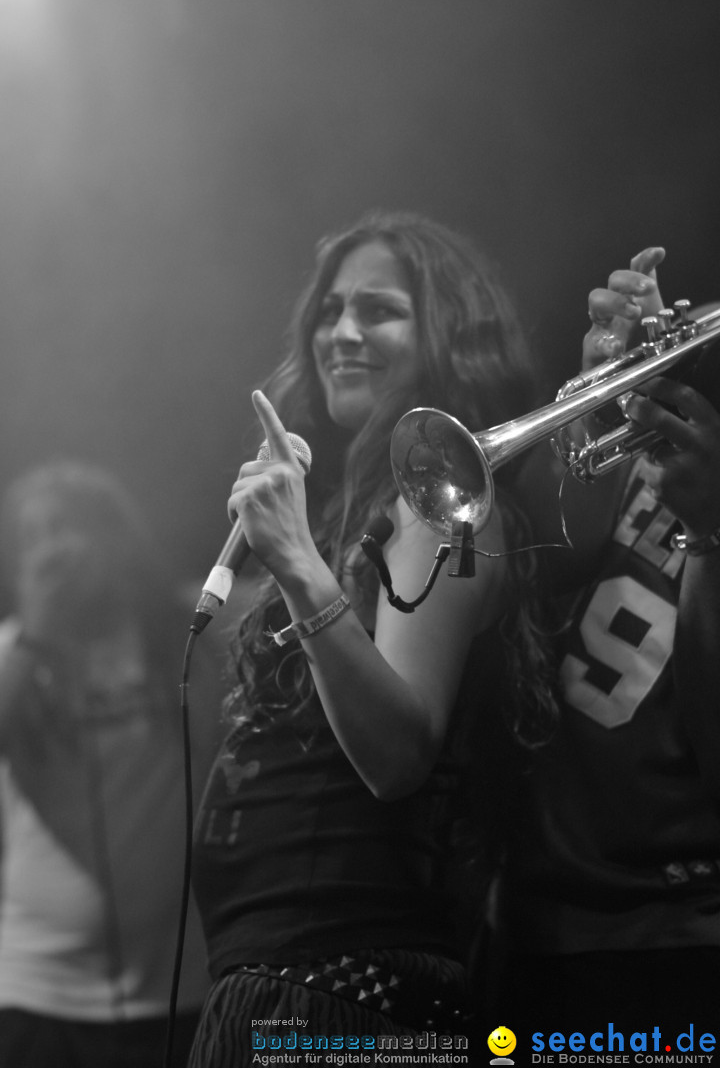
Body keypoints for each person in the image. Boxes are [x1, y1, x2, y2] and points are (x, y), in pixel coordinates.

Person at [187, 210, 556, 1065]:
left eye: (379, 310)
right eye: (329, 309)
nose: (342, 332)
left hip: (344, 995)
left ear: (446, 333)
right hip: (289, 980)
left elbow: (399, 754)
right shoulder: (362, 509)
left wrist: (297, 566)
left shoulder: (444, 507)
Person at [493, 248, 720, 1037]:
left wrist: (710, 529)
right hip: (532, 920)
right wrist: (604, 398)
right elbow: (527, 582)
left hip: (677, 936)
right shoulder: (676, 432)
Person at [0, 460, 224, 1068]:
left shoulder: (193, 633)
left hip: (182, 987)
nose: (55, 550)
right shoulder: (12, 658)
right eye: (36, 536)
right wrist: (40, 633)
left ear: (116, 537)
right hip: (39, 996)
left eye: (69, 528)